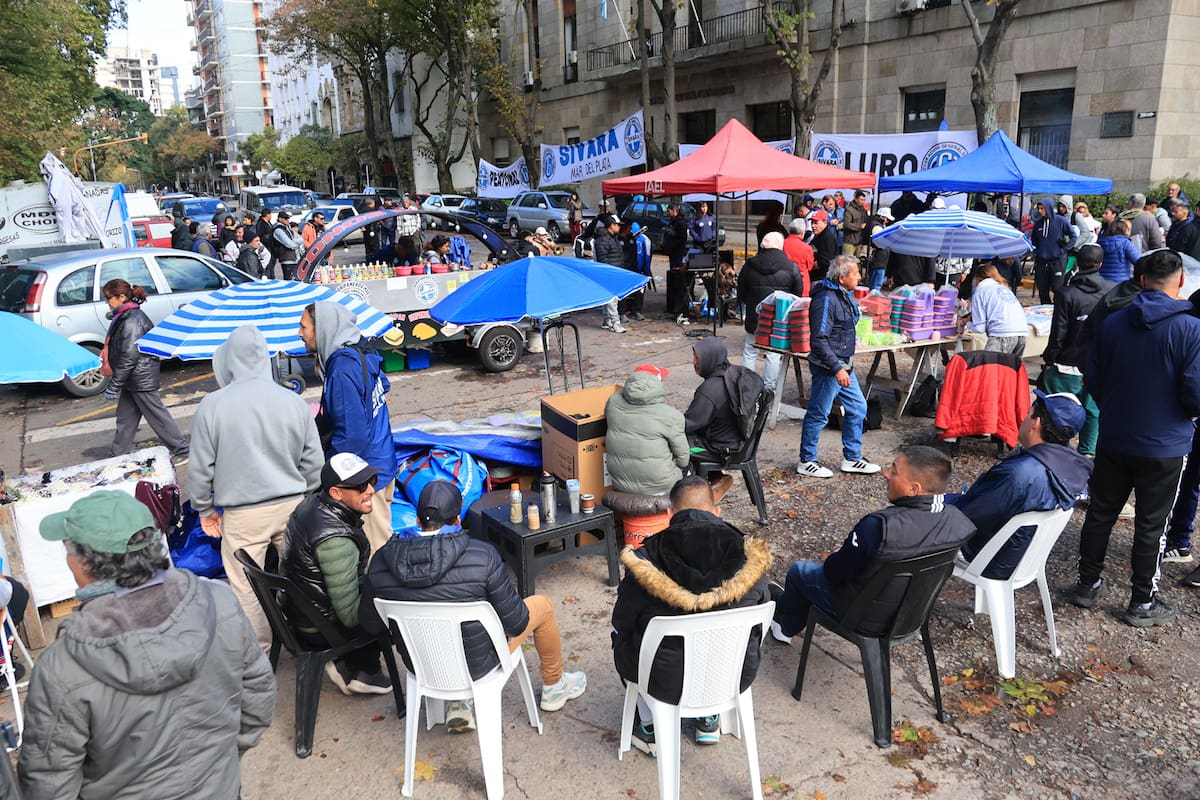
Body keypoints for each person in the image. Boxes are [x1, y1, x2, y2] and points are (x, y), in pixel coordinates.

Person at [19, 490, 275, 798]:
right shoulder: (219, 603)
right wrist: (219, 764)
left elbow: (49, 783)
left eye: (67, 549)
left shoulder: (63, 667)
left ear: (84, 564)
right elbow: (258, 698)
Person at [361, 481, 587, 733]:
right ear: (458, 519)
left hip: (421, 663)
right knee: (541, 606)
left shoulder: (381, 561)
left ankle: (458, 701)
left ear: (416, 520)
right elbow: (517, 623)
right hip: (478, 665)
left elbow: (371, 624)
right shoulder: (483, 556)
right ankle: (554, 687)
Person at [1069, 249, 1200, 627]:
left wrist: (1115, 405)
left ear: (1142, 281)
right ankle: (1141, 601)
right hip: (1166, 444)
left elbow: (1091, 374)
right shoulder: (1191, 329)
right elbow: (1194, 392)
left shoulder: (1113, 323)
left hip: (1115, 435)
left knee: (1100, 514)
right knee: (1151, 525)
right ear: (1179, 283)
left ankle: (1087, 584)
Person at [612, 476, 771, 754]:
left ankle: (649, 725)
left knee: (621, 636)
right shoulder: (751, 558)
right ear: (717, 510)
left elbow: (622, 623)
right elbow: (762, 617)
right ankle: (708, 720)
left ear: (670, 514)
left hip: (663, 683)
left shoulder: (645, 560)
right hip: (733, 676)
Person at [190, 325, 323, 650]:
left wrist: (204, 508)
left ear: (229, 360)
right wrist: (306, 496)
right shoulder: (292, 401)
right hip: (294, 506)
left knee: (246, 585)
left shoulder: (213, 405)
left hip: (244, 515)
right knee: (304, 577)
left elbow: (199, 469)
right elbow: (314, 463)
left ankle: (261, 649)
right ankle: (313, 640)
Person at [770, 446, 975, 643]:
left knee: (800, 572)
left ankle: (783, 625)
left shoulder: (879, 527)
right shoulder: (958, 521)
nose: (886, 474)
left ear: (914, 489)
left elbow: (834, 573)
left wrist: (841, 554)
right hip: (910, 615)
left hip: (861, 616)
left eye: (894, 472)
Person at [948, 392, 1092, 578]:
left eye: (1027, 413)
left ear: (1035, 423)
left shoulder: (1022, 473)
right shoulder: (1072, 465)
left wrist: (932, 505)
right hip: (1021, 557)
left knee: (914, 519)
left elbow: (967, 518)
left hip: (988, 555)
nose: (1023, 418)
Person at [282, 453, 392, 695]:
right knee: (394, 597)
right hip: (317, 627)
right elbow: (350, 616)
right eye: (361, 486)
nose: (371, 490)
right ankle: (363, 670)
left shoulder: (313, 504)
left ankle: (355, 664)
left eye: (372, 480)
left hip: (302, 609)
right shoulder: (336, 540)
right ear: (336, 493)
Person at [299, 302, 399, 553]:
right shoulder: (361, 353)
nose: (300, 333)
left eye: (304, 327)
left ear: (322, 329)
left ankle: (380, 593)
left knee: (375, 553)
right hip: (381, 463)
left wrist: (331, 481)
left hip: (364, 479)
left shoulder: (343, 368)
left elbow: (351, 437)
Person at [796, 256, 880, 479]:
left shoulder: (844, 295)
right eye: (856, 273)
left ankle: (852, 458)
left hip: (844, 365)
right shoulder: (825, 299)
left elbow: (842, 328)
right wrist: (836, 368)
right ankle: (806, 460)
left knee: (858, 408)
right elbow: (819, 339)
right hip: (829, 368)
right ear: (842, 278)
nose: (860, 277)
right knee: (819, 414)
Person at [101, 279, 189, 463]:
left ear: (122, 297)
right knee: (125, 419)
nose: (107, 302)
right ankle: (117, 455)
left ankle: (181, 449)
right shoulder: (125, 316)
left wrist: (114, 385)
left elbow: (128, 356)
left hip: (140, 377)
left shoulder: (132, 320)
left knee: (157, 416)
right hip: (133, 378)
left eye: (109, 298)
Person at [1040, 245, 1113, 455]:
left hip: (1067, 362)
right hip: (1099, 362)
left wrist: (1050, 359)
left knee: (1058, 410)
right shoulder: (1112, 291)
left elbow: (1059, 333)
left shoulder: (1066, 293)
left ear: (1077, 264)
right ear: (1100, 265)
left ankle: (1055, 453)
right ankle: (1087, 453)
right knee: (1092, 411)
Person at [605, 365, 690, 497]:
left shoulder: (613, 402)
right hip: (662, 486)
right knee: (690, 470)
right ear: (657, 384)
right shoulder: (671, 415)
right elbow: (683, 460)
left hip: (620, 483)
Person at [737, 231, 806, 391]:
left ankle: (746, 386)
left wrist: (750, 303)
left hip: (756, 314)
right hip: (780, 318)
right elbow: (797, 294)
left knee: (750, 350)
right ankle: (769, 388)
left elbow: (741, 289)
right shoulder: (791, 266)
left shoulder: (750, 264)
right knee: (774, 354)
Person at [684, 337, 755, 461]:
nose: (694, 362)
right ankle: (713, 477)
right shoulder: (733, 373)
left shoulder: (710, 390)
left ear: (709, 359)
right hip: (739, 442)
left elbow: (689, 423)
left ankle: (705, 478)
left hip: (719, 449)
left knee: (675, 446)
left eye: (697, 358)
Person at [963, 261, 1027, 357]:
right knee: (1011, 370)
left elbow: (979, 328)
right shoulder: (1004, 289)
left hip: (1002, 334)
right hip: (1022, 332)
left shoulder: (980, 292)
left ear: (977, 279)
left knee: (991, 368)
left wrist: (966, 323)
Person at [1030, 198, 1072, 304]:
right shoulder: (1038, 224)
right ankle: (1046, 309)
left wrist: (1064, 249)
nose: (1040, 211)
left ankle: (1058, 310)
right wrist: (1037, 252)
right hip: (1042, 262)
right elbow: (1034, 240)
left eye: (1042, 208)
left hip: (1057, 261)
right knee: (1042, 289)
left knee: (1057, 288)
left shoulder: (1061, 221)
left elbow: (1073, 236)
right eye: (1039, 208)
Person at [592, 214, 628, 333]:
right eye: (617, 225)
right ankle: (615, 323)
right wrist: (608, 274)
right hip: (609, 274)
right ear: (611, 225)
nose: (619, 227)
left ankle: (607, 320)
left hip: (614, 272)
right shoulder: (603, 240)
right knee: (612, 300)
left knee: (608, 299)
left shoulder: (612, 238)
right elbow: (603, 260)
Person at [662, 204, 690, 319]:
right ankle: (673, 305)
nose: (668, 213)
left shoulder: (680, 223)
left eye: (669, 211)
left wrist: (672, 236)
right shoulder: (673, 221)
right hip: (672, 252)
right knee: (673, 277)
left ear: (675, 211)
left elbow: (682, 238)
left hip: (677, 253)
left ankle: (679, 306)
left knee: (678, 277)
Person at [782, 218, 814, 297]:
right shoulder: (807, 248)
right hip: (802, 281)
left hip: (784, 280)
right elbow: (810, 267)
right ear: (802, 232)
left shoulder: (782, 243)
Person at [807, 209, 838, 285]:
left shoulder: (827, 237)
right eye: (812, 222)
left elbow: (825, 261)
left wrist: (808, 265)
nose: (813, 225)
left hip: (821, 279)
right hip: (814, 277)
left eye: (816, 223)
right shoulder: (818, 235)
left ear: (824, 222)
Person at [867, 207, 894, 290]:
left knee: (875, 282)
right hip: (879, 260)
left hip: (879, 260)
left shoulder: (875, 224)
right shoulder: (877, 227)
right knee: (876, 285)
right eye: (887, 219)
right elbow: (879, 243)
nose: (888, 221)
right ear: (882, 217)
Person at [273, 211, 303, 280]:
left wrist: (293, 241)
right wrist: (296, 243)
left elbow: (301, 239)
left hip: (295, 259)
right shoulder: (278, 230)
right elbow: (290, 245)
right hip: (287, 259)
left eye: (288, 218)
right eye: (286, 218)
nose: (288, 220)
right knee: (289, 280)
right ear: (280, 219)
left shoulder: (287, 228)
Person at [842, 190, 870, 256]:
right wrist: (859, 226)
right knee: (847, 263)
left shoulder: (863, 210)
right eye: (861, 199)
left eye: (864, 200)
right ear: (856, 199)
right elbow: (846, 224)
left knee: (857, 263)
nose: (863, 201)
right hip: (849, 242)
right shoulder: (849, 210)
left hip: (859, 241)